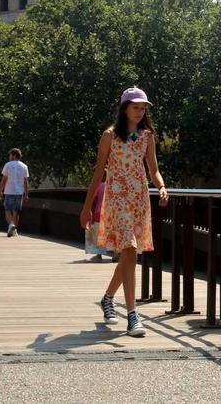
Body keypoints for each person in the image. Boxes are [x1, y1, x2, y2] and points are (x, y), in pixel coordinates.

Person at [80, 87, 169, 338]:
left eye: (143, 108)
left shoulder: (147, 136)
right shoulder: (110, 136)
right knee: (129, 250)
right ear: (124, 108)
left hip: (139, 200)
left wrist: (161, 187)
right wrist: (86, 207)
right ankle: (132, 315)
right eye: (135, 107)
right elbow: (99, 172)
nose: (140, 112)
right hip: (117, 199)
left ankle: (108, 298)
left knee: (130, 255)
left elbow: (153, 169)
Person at [0, 148, 30, 237]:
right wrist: (26, 194)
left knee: (8, 209)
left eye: (10, 155)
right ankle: (14, 229)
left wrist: (0, 191)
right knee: (16, 210)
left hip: (9, 191)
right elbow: (25, 181)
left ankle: (11, 225)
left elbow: (4, 180)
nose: (9, 157)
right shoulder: (24, 166)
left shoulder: (8, 165)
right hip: (19, 192)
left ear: (14, 155)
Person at [83, 178, 109, 262]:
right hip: (110, 213)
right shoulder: (112, 185)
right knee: (111, 234)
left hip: (99, 212)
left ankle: (99, 255)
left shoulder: (99, 186)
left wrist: (91, 213)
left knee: (98, 234)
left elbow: (94, 200)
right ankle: (116, 254)